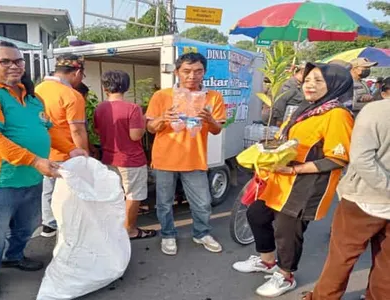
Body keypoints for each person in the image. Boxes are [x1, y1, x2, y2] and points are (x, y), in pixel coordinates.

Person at [0, 40, 86, 300]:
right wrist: (36, 161)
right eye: (5, 61)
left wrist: (71, 148)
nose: (14, 66)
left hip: (29, 176)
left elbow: (46, 128)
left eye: (18, 61)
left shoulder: (30, 95)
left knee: (27, 226)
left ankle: (13, 257)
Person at [232, 63, 354, 298]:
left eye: (319, 81)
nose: (310, 84)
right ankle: (267, 261)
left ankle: (285, 274)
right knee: (256, 214)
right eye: (308, 79)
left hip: (306, 186)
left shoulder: (337, 115)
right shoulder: (307, 108)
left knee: (287, 231)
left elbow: (338, 158)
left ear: (336, 85)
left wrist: (296, 169)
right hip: (280, 179)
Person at [303, 77, 390, 300]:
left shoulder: (375, 111)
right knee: (387, 264)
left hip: (363, 198)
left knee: (342, 258)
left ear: (384, 91)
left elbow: (361, 160)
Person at [145, 52, 226, 255]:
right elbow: (150, 128)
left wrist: (209, 119)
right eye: (187, 71)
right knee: (164, 203)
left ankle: (202, 233)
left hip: (195, 158)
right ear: (177, 72)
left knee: (202, 202)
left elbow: (217, 130)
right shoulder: (161, 96)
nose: (192, 76)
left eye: (198, 71)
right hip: (165, 159)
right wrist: (163, 118)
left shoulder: (213, 97)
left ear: (204, 73)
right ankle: (168, 235)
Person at [94, 70, 157, 240]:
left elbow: (98, 131)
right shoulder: (133, 108)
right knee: (133, 195)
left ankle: (114, 227)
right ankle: (130, 230)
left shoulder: (100, 108)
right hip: (131, 160)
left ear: (105, 87)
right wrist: (143, 121)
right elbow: (135, 136)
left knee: (115, 194)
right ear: (126, 87)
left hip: (108, 158)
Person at [35, 54, 89, 238]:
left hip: (42, 150)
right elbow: (77, 130)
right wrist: (84, 155)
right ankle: (68, 225)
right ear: (78, 72)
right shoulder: (72, 95)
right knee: (69, 191)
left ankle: (48, 223)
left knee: (48, 188)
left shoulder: (38, 89)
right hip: (67, 152)